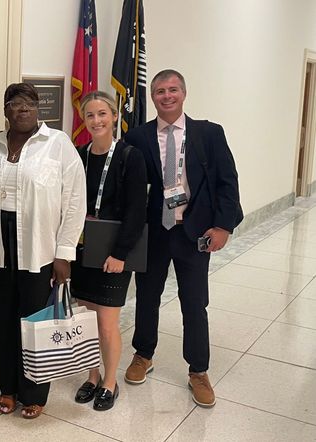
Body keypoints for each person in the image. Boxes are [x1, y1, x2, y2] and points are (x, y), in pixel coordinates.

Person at [123, 69, 242, 408]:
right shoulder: (137, 137)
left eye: (172, 89)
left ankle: (198, 371)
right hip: (154, 231)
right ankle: (143, 354)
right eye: (160, 90)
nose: (166, 95)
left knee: (194, 302)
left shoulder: (209, 133)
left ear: (183, 93)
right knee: (146, 296)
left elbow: (227, 182)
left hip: (194, 232)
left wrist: (223, 227)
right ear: (153, 97)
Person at [0, 83, 86, 419]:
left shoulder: (58, 144)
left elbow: (74, 201)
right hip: (1, 245)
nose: (22, 109)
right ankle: (8, 389)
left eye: (29, 103)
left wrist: (64, 253)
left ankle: (34, 393)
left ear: (38, 108)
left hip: (40, 248)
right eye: (15, 103)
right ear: (5, 110)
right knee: (5, 318)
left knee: (35, 321)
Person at [71, 91, 147, 411]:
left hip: (116, 251)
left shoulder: (131, 156)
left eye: (102, 114)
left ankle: (110, 381)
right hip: (84, 247)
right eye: (90, 115)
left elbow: (136, 212)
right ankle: (92, 376)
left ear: (114, 116)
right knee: (86, 320)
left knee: (106, 322)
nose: (97, 120)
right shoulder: (78, 154)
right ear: (84, 120)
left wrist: (119, 254)